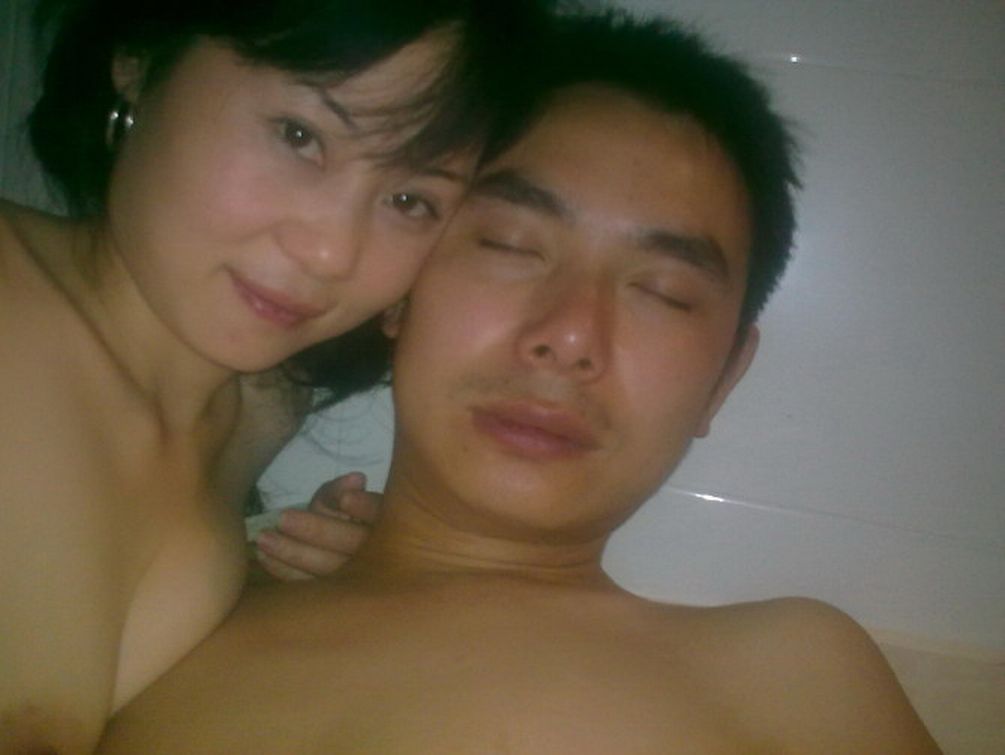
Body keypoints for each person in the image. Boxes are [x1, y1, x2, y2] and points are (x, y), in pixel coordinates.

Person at [97, 10, 941, 753]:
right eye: (509, 245)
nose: (569, 337)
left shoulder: (793, 679)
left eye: (662, 292)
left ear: (723, 379)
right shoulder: (171, 606)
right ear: (402, 288)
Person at [0, 1, 551, 751]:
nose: (331, 252)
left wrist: (310, 583)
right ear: (141, 60)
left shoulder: (249, 424)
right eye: (300, 136)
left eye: (409, 200)